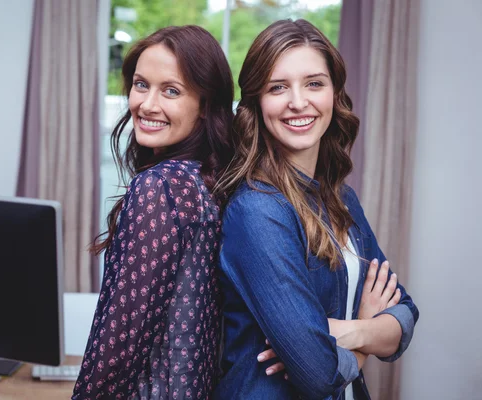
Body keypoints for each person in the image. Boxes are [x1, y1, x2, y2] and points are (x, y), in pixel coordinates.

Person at [214, 19, 419, 399]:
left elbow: (405, 313)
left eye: (313, 83)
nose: (298, 101)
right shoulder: (257, 209)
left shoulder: (341, 199)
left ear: (333, 93)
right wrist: (366, 336)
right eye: (278, 87)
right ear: (257, 101)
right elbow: (317, 373)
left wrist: (350, 330)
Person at [71, 25, 234, 400]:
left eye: (171, 91)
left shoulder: (161, 187)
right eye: (141, 84)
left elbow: (117, 344)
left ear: (206, 104)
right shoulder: (209, 181)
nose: (146, 104)